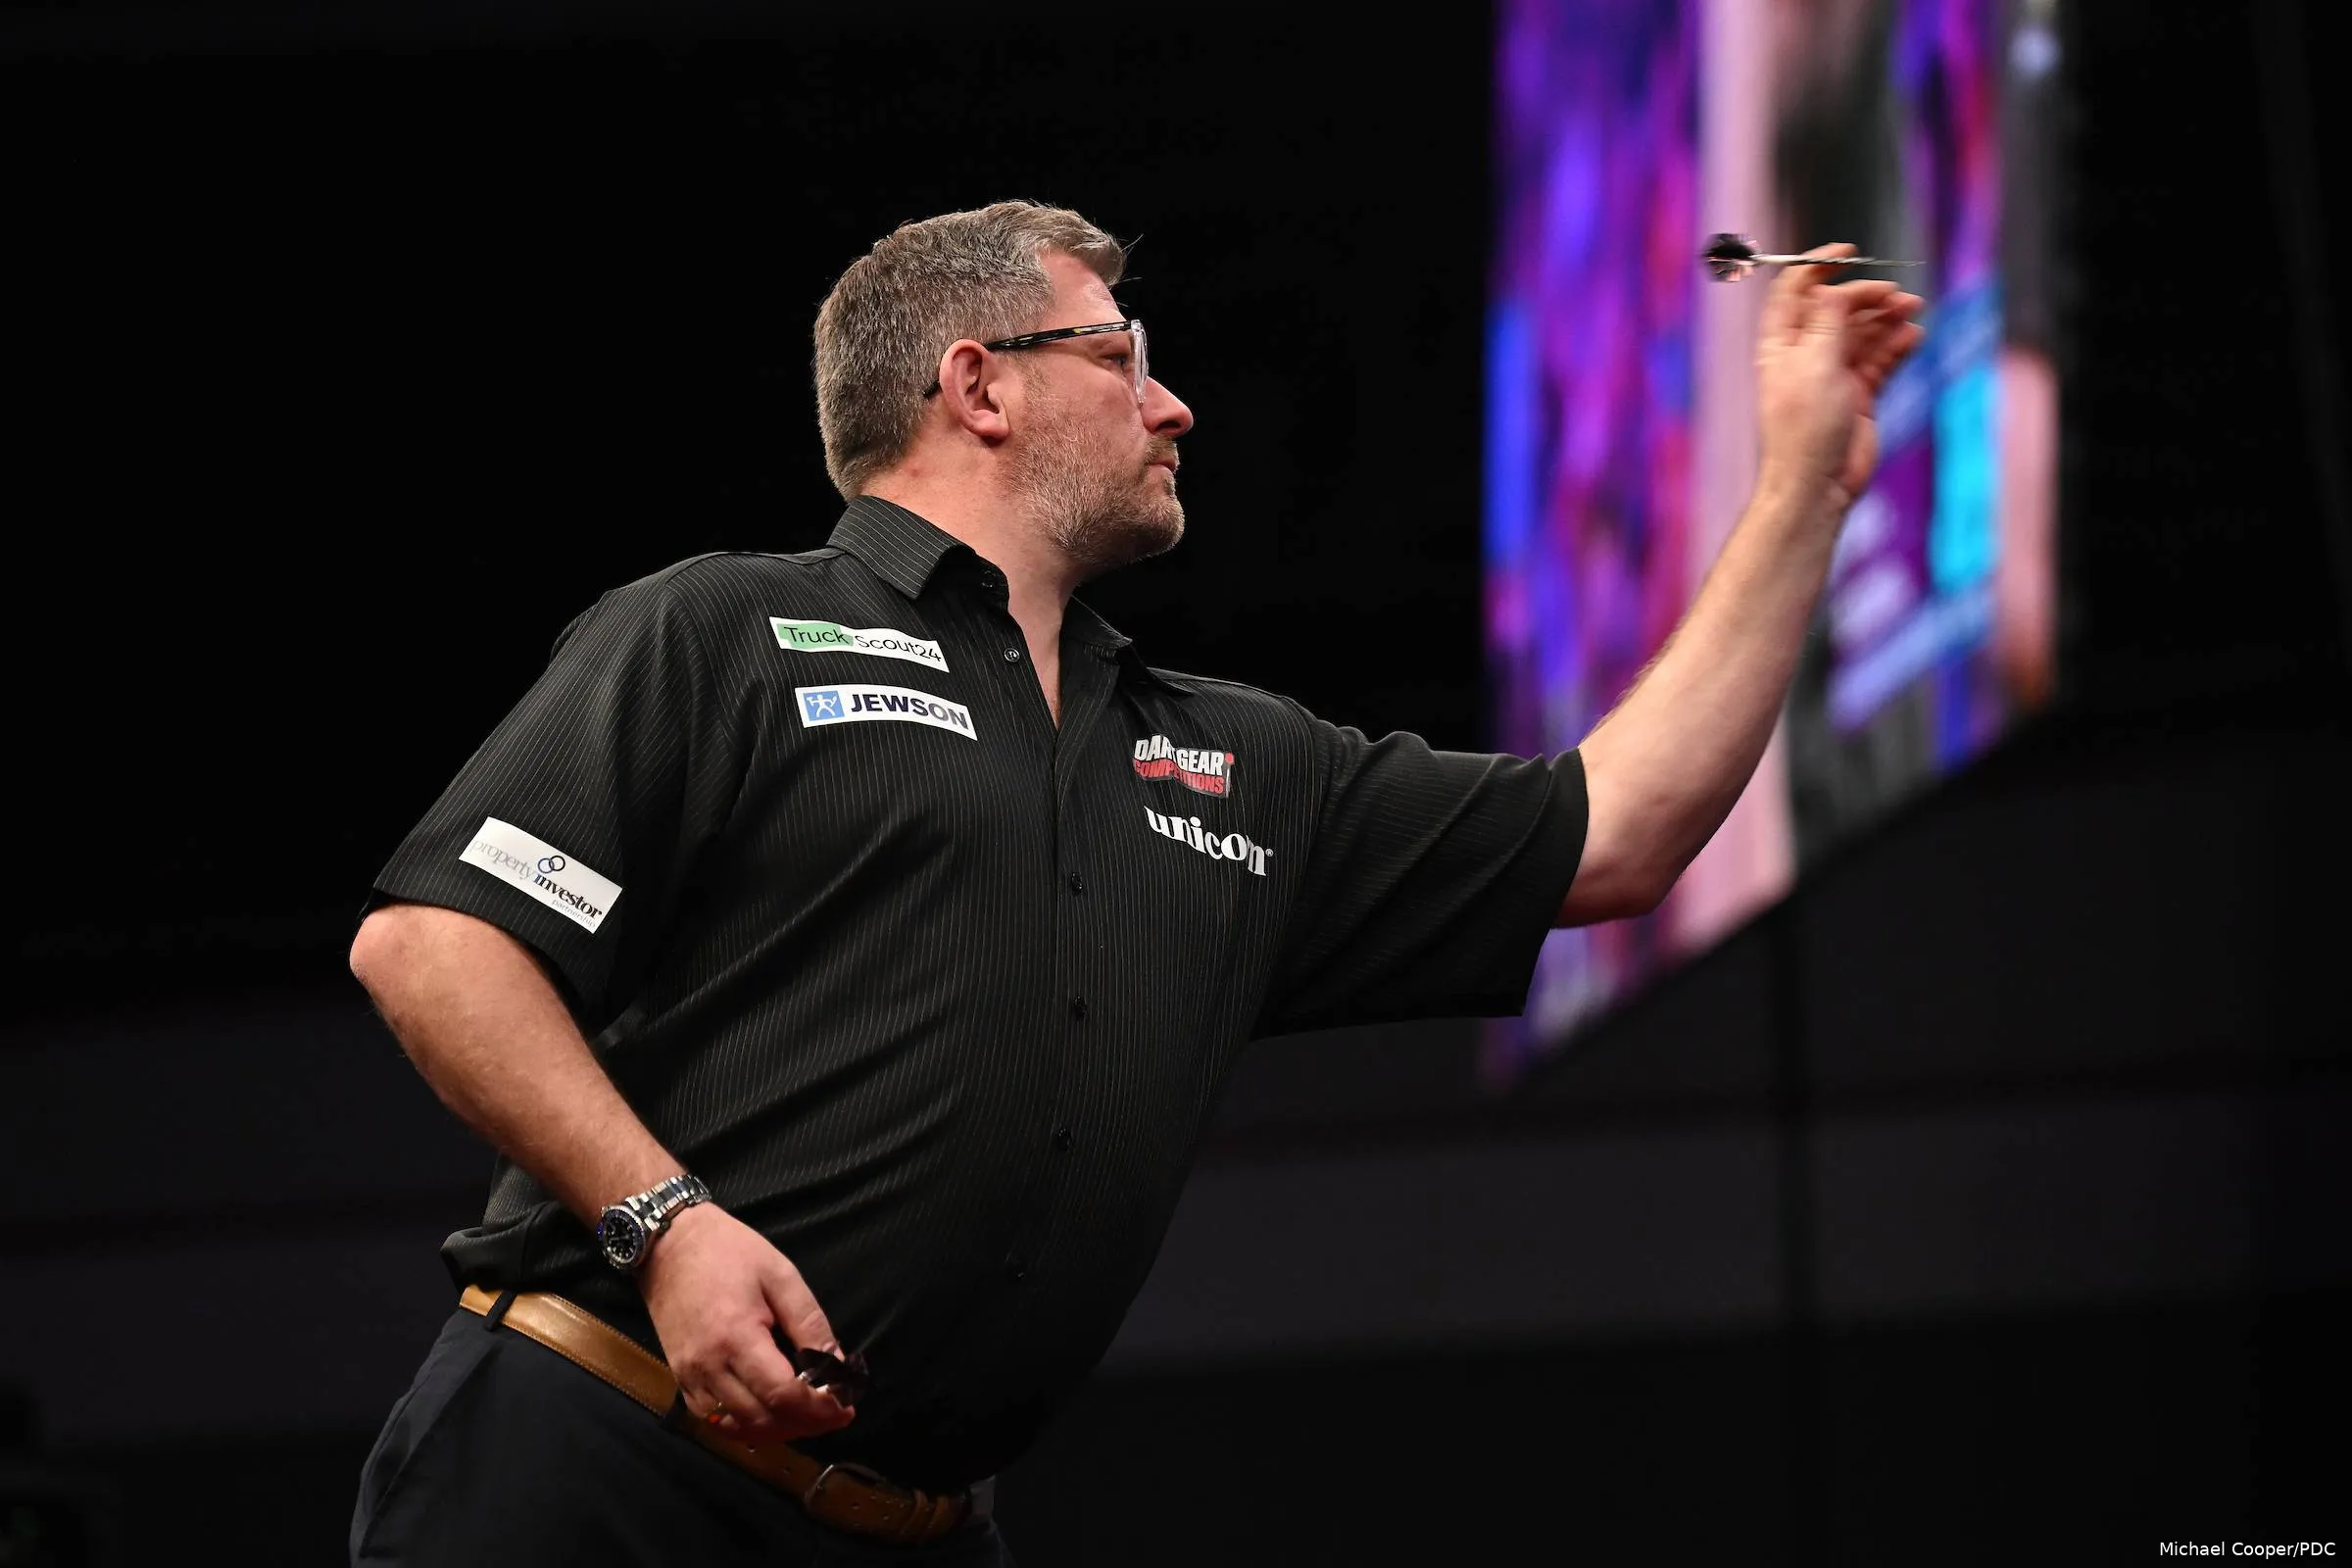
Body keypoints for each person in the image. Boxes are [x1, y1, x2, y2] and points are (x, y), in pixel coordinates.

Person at [345, 201, 1921, 1565]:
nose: (1176, 411)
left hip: (919, 1527)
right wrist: (667, 1226)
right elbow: (432, 948)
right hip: (595, 1472)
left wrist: (1805, 489)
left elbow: (1619, 835)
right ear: (977, 385)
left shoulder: (1232, 761)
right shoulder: (724, 633)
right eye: (1121, 358)